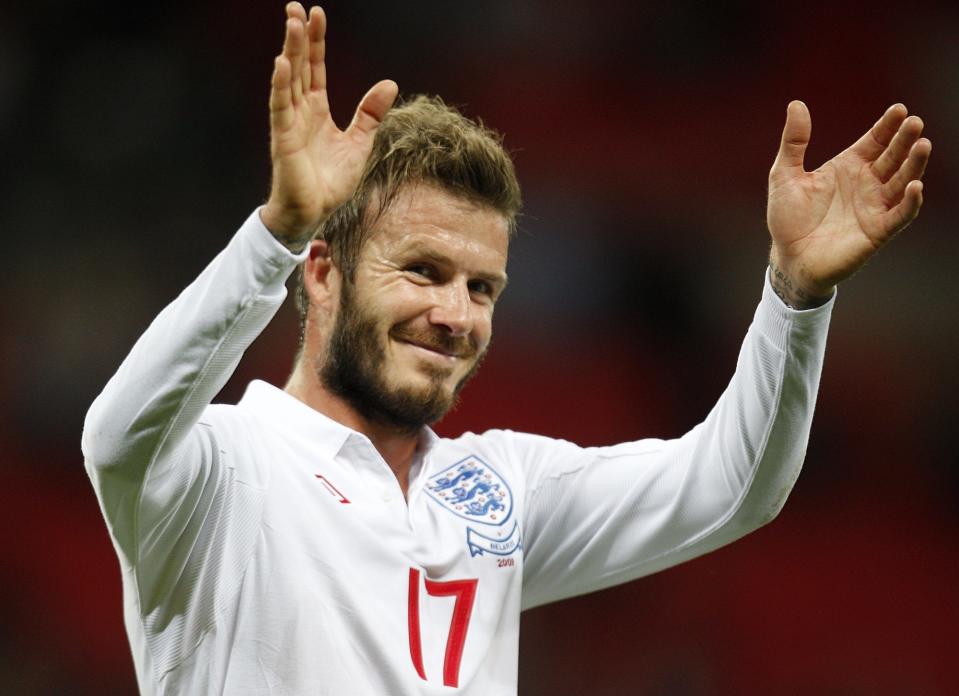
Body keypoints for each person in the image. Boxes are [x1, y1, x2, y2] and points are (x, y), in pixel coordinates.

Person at [82, 3, 931, 695]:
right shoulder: (223, 471)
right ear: (322, 273)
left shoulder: (499, 491)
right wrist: (275, 230)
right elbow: (117, 435)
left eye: (480, 286)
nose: (455, 314)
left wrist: (794, 291)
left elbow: (729, 487)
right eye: (422, 270)